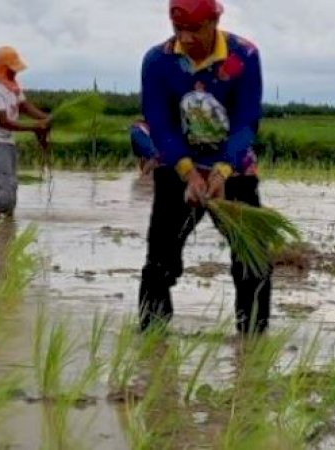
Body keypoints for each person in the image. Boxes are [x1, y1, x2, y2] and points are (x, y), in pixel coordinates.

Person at [139, 0, 269, 335]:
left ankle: (252, 346)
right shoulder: (158, 61)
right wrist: (188, 172)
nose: (186, 37)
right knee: (159, 260)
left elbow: (245, 121)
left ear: (215, 20)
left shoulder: (244, 56)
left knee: (252, 261)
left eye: (195, 29)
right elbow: (160, 123)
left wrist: (222, 171)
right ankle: (150, 347)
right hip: (177, 166)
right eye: (178, 29)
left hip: (235, 169)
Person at [0, 45, 51, 221]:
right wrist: (35, 127)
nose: (16, 73)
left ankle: (6, 227)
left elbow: (24, 107)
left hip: (8, 143)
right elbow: (3, 122)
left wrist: (48, 118)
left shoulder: (12, 87)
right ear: (3, 68)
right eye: (12, 69)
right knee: (3, 188)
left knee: (11, 186)